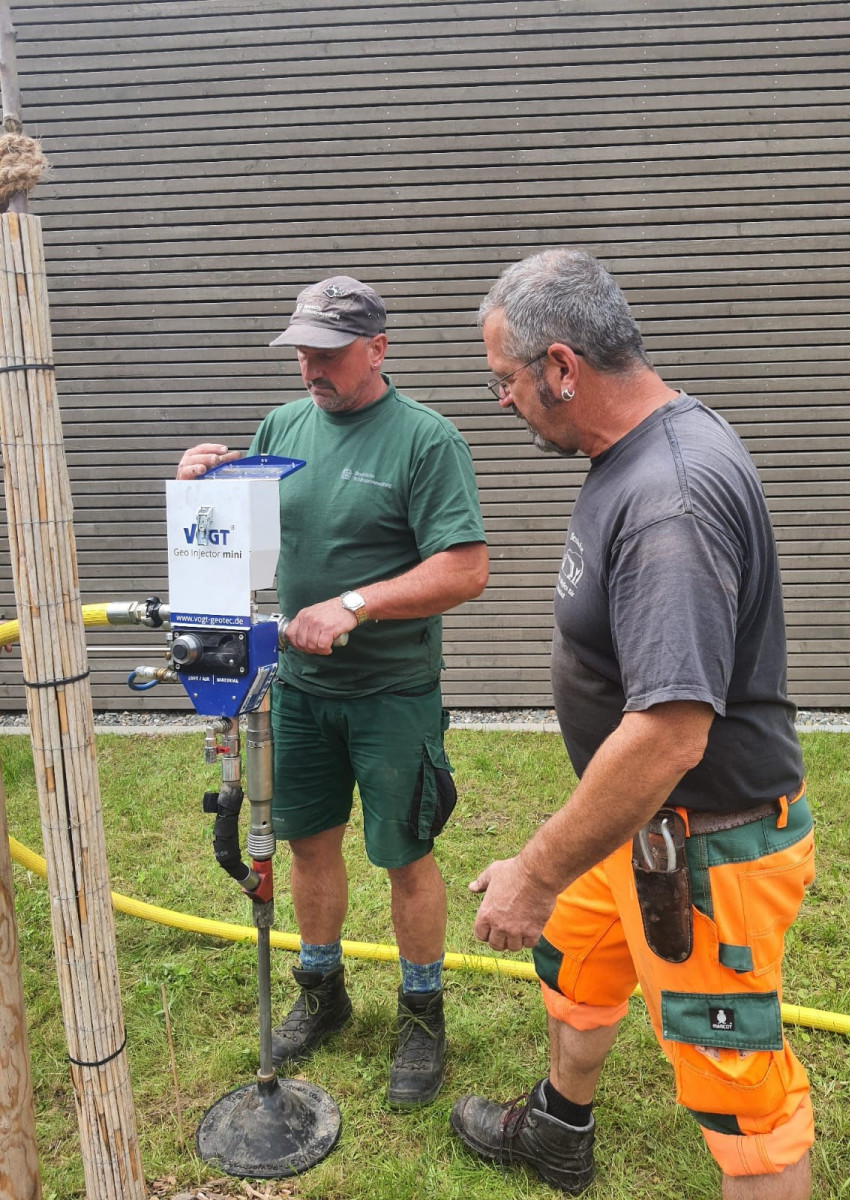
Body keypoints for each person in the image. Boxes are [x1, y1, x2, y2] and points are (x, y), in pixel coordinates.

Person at [450, 249, 814, 1198]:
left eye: (505, 380)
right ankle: (560, 1133)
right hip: (635, 824)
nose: (501, 400)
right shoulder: (639, 449)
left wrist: (533, 870)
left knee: (744, 1102)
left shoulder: (670, 502)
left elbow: (669, 732)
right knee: (574, 966)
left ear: (563, 368)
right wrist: (561, 864)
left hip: (705, 849)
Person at [177, 276, 488, 1108]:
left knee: (404, 855)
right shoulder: (281, 425)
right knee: (308, 843)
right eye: (301, 351)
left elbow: (466, 569)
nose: (310, 366)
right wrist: (198, 484)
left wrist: (354, 604)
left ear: (378, 348)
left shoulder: (426, 441)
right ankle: (324, 991)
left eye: (328, 352)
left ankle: (421, 1012)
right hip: (302, 689)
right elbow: (234, 542)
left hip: (391, 690)